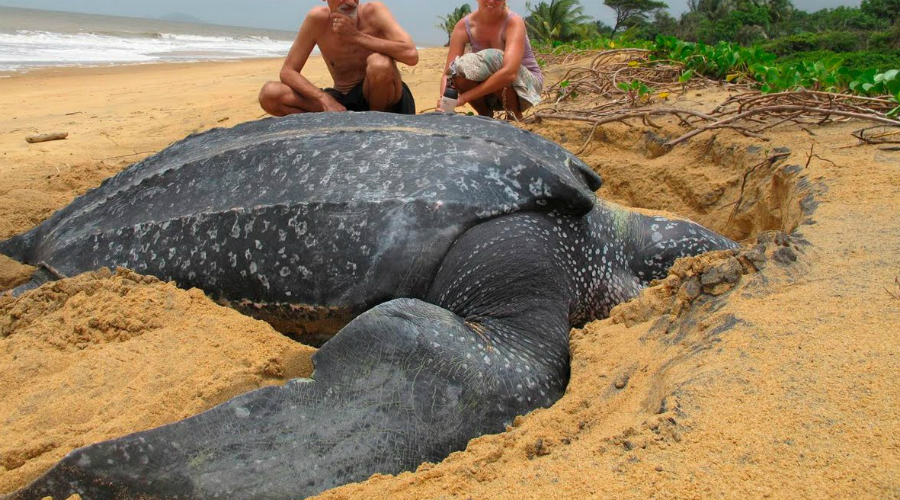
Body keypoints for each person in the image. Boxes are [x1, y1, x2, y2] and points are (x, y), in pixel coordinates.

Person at [259, 0, 418, 116]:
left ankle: (375, 124)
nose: (349, 2)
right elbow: (288, 71)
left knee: (379, 64)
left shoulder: (374, 11)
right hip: (342, 103)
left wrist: (355, 36)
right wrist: (324, 99)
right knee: (270, 94)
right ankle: (345, 121)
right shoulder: (318, 20)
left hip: (384, 99)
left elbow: (411, 56)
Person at [437, 0, 543, 120]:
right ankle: (484, 113)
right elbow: (448, 73)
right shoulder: (464, 26)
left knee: (495, 57)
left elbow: (509, 73)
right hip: (490, 93)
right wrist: (444, 101)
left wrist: (463, 99)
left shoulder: (513, 22)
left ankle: (514, 115)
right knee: (458, 68)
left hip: (527, 90)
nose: (491, 1)